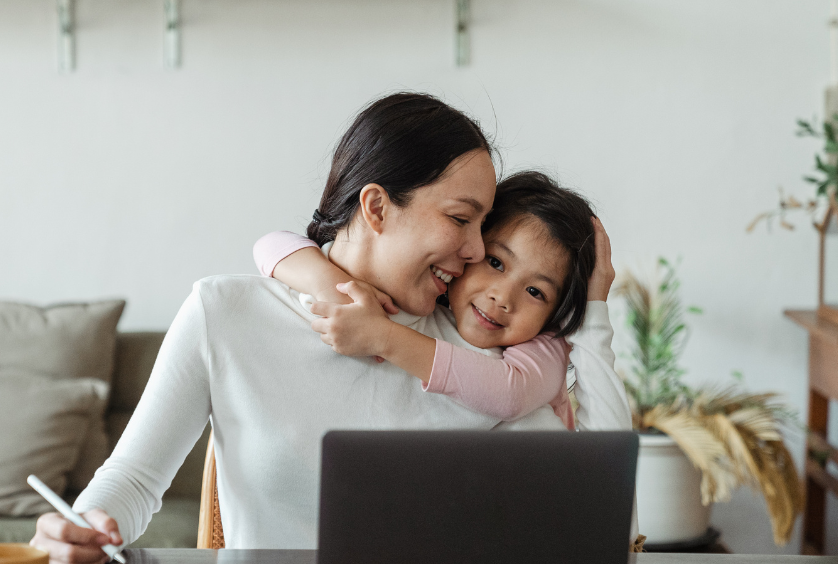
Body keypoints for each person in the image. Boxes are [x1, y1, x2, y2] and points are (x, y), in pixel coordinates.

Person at [31, 92, 632, 564]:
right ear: (376, 207)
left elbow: (599, 510)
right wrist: (80, 527)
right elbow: (134, 480)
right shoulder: (225, 314)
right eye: (459, 219)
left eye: (483, 227)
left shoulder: (486, 354)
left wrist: (596, 312)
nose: (476, 251)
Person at [253, 171, 604, 430]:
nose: (502, 297)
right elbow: (270, 243)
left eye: (535, 292)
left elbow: (509, 394)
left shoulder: (547, 346)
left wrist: (383, 337)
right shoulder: (431, 299)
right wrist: (332, 285)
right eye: (495, 262)